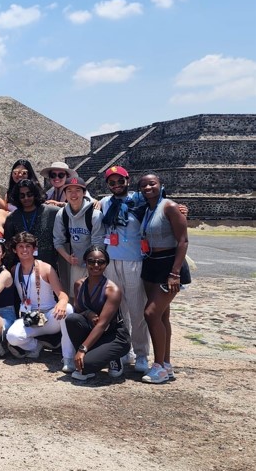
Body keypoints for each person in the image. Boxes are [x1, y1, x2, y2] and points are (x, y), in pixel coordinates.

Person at [138, 172, 190, 384]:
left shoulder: (168, 206)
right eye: (144, 185)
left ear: (160, 184)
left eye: (152, 184)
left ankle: (158, 365)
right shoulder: (146, 208)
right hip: (151, 263)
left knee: (150, 313)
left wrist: (175, 273)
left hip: (169, 265)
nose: (148, 188)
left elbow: (183, 240)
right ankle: (166, 364)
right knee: (162, 316)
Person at [100, 165, 151, 373]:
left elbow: (162, 204)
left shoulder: (139, 200)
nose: (116, 185)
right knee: (118, 311)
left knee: (138, 310)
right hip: (111, 261)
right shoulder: (104, 203)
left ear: (127, 180)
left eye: (120, 181)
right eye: (112, 182)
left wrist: (181, 209)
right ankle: (123, 349)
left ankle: (142, 354)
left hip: (134, 261)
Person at [5, 232, 75, 373]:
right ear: (15, 249)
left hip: (49, 317)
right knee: (12, 336)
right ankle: (36, 346)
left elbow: (62, 294)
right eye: (21, 246)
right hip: (29, 317)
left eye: (28, 246)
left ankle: (68, 357)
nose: (24, 250)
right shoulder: (14, 269)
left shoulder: (45, 268)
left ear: (34, 248)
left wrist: (62, 301)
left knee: (67, 309)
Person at [65, 245, 131, 382]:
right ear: (85, 262)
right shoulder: (79, 284)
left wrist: (82, 349)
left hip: (114, 336)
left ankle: (113, 357)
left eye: (100, 262)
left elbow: (102, 324)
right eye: (91, 261)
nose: (96, 265)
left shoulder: (112, 290)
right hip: (93, 332)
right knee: (72, 319)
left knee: (85, 366)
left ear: (106, 264)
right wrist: (88, 313)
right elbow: (78, 310)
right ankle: (91, 356)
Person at [53, 177, 105, 290]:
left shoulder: (94, 214)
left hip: (94, 263)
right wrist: (67, 257)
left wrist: (92, 262)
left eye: (77, 190)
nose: (73, 194)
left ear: (84, 193)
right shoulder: (62, 214)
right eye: (69, 191)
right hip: (75, 263)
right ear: (65, 194)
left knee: (96, 297)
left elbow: (98, 243)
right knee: (76, 298)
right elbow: (58, 241)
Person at [2, 179, 60, 277]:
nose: (26, 198)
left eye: (29, 194)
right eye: (22, 195)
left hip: (48, 268)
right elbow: (8, 245)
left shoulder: (52, 212)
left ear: (35, 194)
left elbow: (71, 212)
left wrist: (91, 201)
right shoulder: (12, 218)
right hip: (23, 268)